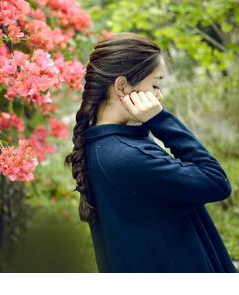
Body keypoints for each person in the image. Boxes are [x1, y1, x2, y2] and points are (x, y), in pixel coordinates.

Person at [64, 32, 237, 273]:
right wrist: (161, 120)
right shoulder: (126, 156)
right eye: (155, 84)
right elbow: (216, 181)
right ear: (122, 86)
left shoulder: (106, 144)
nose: (160, 95)